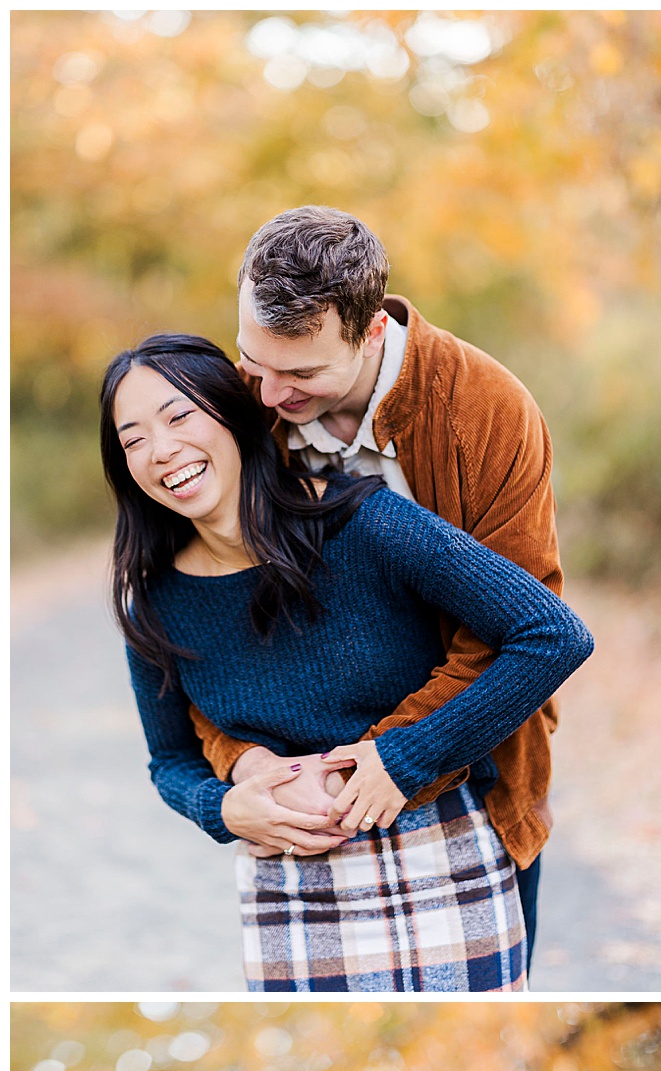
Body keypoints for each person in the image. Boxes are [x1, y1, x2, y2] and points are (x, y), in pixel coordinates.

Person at [105, 331, 592, 991]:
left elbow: (552, 633)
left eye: (179, 415)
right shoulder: (154, 604)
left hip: (441, 851)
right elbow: (170, 762)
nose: (161, 451)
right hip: (290, 886)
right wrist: (221, 809)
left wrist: (404, 759)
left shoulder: (366, 524)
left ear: (234, 412)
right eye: (132, 439)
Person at [189, 206, 571, 970]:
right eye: (251, 361)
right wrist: (242, 765)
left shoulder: (486, 411)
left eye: (300, 374)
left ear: (367, 333)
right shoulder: (241, 409)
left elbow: (523, 634)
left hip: (475, 764)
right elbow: (203, 612)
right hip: (309, 801)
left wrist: (396, 756)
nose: (266, 395)